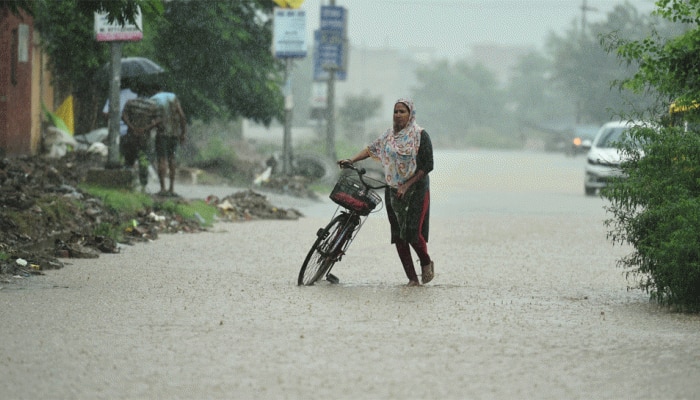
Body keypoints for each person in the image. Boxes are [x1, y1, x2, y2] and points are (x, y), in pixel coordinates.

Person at [338, 98, 434, 287]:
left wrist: (406, 185)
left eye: (402, 112)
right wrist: (352, 160)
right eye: (395, 112)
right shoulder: (388, 136)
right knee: (398, 235)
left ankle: (425, 261)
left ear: (410, 115)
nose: (398, 115)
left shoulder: (421, 136)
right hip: (393, 188)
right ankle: (412, 280)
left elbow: (427, 166)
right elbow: (371, 149)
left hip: (416, 188)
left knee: (413, 232)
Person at [121, 83, 159, 192]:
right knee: (143, 160)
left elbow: (123, 116)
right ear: (149, 93)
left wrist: (131, 127)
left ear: (137, 93)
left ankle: (127, 184)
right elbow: (158, 120)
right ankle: (143, 186)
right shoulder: (152, 105)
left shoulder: (131, 103)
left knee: (129, 160)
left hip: (130, 136)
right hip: (144, 137)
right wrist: (146, 128)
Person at [150, 85, 187, 196]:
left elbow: (152, 119)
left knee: (162, 159)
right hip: (174, 135)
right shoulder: (172, 97)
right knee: (172, 159)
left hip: (162, 134)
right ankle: (171, 188)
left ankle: (163, 189)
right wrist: (183, 133)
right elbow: (182, 116)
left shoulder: (153, 99)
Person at [102, 79, 137, 160]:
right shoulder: (135, 96)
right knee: (131, 156)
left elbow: (105, 113)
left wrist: (114, 118)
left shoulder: (113, 96)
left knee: (118, 155)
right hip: (131, 130)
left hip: (116, 131)